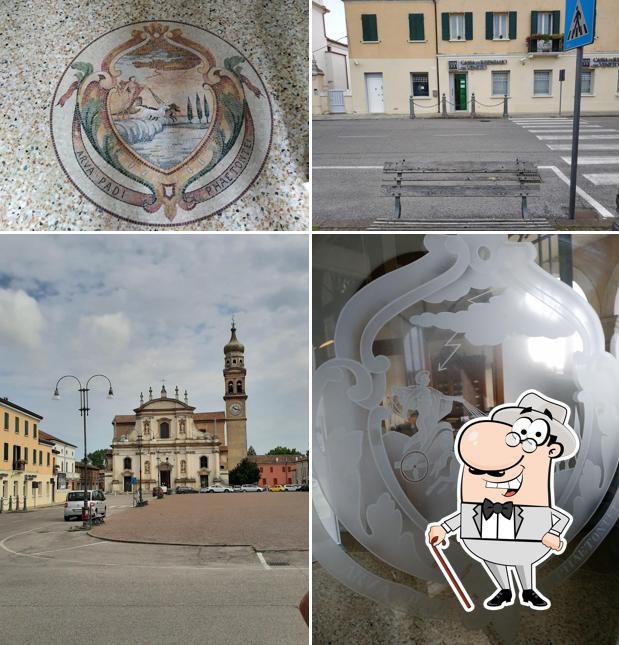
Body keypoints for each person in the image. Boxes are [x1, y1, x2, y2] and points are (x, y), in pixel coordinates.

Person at [427, 390, 579, 610]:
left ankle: (528, 590)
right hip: (487, 542)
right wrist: (443, 528)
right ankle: (504, 589)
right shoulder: (488, 474)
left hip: (526, 541)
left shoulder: (534, 492)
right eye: (517, 433)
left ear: (552, 449)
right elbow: (466, 516)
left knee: (523, 559)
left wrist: (552, 534)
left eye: (533, 438)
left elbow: (560, 518)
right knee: (494, 559)